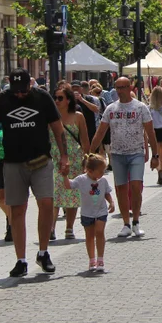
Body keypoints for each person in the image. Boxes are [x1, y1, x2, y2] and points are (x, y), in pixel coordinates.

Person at [0, 69, 70, 278]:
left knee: (46, 203)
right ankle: (20, 260)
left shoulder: (42, 97)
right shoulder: (1, 99)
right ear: (10, 84)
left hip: (41, 161)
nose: (20, 95)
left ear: (30, 83)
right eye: (16, 90)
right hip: (12, 162)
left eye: (24, 90)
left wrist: (64, 156)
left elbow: (58, 128)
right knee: (17, 210)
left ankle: (43, 252)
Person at [90, 76, 158, 239]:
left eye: (123, 87)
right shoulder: (111, 109)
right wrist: (90, 152)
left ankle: (136, 221)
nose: (120, 91)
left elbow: (150, 131)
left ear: (130, 88)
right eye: (117, 87)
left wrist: (155, 154)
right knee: (121, 189)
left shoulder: (140, 107)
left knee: (135, 185)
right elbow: (101, 131)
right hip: (117, 154)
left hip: (136, 153)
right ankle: (126, 224)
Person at [50, 87, 90, 242]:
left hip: (75, 160)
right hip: (55, 159)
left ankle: (69, 228)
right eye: (55, 97)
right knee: (55, 194)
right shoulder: (51, 117)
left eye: (60, 98)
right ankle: (51, 228)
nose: (57, 101)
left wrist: (86, 159)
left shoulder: (78, 117)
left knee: (72, 194)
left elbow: (85, 140)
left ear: (68, 100)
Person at [65, 153, 115, 272]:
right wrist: (64, 176)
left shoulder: (102, 180)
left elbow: (106, 193)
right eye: (101, 171)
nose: (103, 173)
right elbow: (69, 186)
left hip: (101, 211)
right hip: (87, 213)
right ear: (90, 170)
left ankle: (100, 258)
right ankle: (92, 259)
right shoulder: (82, 179)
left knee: (99, 232)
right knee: (89, 236)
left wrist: (111, 202)